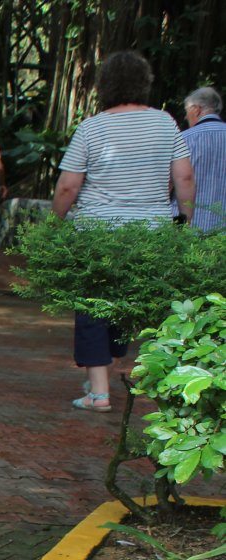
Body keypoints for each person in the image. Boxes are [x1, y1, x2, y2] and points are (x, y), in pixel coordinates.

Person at [53, 50, 195, 412]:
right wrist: (187, 220)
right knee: (128, 307)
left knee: (92, 307)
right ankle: (110, 377)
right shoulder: (166, 124)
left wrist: (57, 221)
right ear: (144, 84)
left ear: (105, 86)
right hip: (150, 232)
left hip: (98, 231)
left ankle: (98, 393)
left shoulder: (92, 127)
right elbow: (184, 176)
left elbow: (68, 186)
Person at [181, 87, 225, 232]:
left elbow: (165, 186)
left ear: (196, 109)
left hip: (188, 230)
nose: (186, 118)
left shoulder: (183, 139)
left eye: (187, 112)